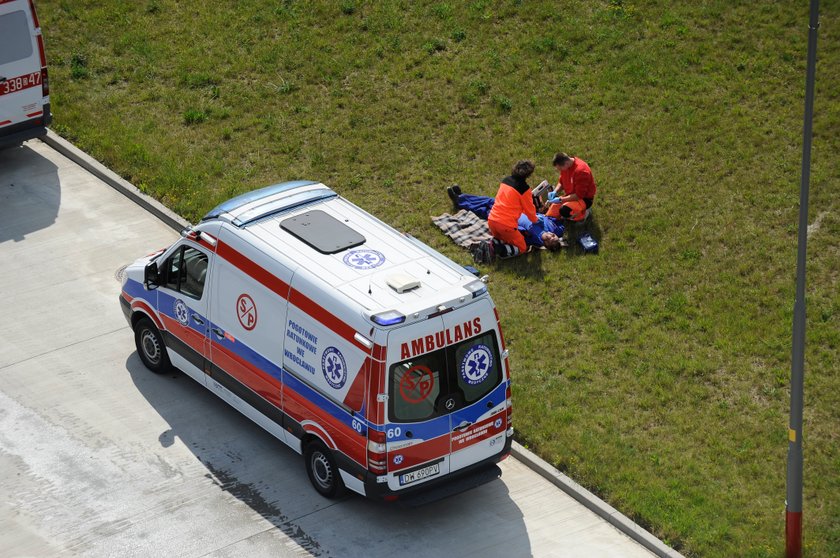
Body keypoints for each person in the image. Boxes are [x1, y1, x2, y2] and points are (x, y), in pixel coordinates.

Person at [486, 160, 539, 257]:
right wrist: (535, 220)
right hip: (506, 226)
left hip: (492, 220)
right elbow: (529, 210)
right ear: (528, 174)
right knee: (522, 247)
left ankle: (495, 243)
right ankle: (499, 250)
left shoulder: (505, 180)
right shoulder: (524, 189)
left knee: (504, 238)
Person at [545, 152, 597, 222]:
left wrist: (560, 199)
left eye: (560, 169)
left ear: (566, 163)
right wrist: (555, 191)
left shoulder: (581, 172)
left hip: (584, 199)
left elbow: (579, 195)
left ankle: (583, 214)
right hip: (571, 195)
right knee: (550, 214)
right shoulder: (566, 167)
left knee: (564, 211)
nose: (560, 171)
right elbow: (561, 182)